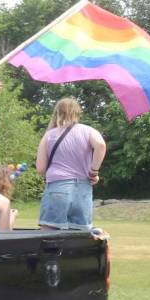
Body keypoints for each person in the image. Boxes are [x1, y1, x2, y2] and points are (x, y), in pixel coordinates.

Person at [35, 97, 106, 230]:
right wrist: (94, 171)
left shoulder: (49, 135)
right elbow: (101, 145)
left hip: (58, 187)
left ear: (57, 112)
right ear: (78, 113)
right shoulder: (88, 130)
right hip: (83, 189)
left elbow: (40, 168)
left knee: (49, 232)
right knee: (79, 235)